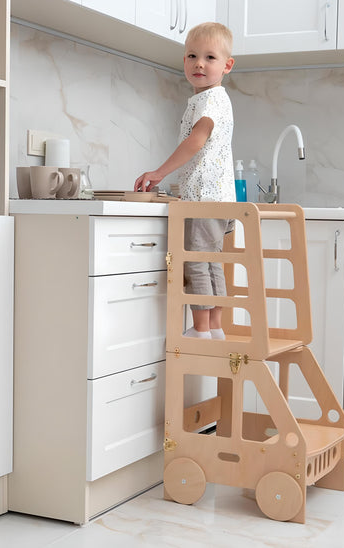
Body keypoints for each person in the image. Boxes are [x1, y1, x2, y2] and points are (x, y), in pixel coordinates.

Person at [134, 22, 236, 340]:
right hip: (218, 197)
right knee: (210, 262)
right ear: (183, 61)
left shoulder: (210, 101)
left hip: (204, 198)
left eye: (210, 57)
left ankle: (201, 329)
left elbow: (197, 140)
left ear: (227, 66)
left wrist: (160, 172)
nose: (199, 64)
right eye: (192, 56)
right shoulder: (211, 99)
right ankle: (215, 326)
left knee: (195, 262)